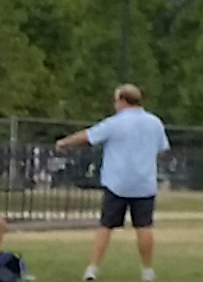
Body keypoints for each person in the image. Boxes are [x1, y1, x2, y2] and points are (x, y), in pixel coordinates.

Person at [54, 84, 169, 282]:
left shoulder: (115, 123)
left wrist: (64, 142)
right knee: (144, 227)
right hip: (144, 184)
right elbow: (162, 149)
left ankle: (93, 268)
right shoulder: (155, 122)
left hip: (117, 183)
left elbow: (88, 135)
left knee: (105, 226)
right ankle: (147, 271)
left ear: (122, 100)